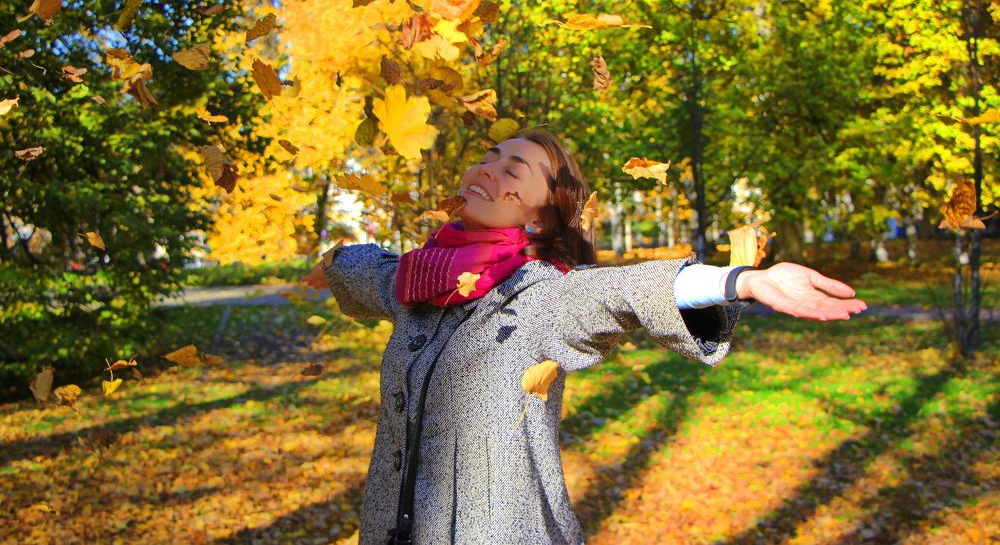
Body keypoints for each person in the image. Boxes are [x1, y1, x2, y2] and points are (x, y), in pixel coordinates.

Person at [301, 130, 866, 544]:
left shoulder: (538, 295)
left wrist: (738, 281)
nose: (490, 168)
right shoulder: (414, 283)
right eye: (490, 156)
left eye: (515, 169)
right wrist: (331, 263)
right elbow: (363, 268)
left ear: (540, 217)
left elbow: (614, 293)